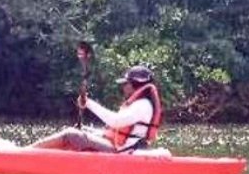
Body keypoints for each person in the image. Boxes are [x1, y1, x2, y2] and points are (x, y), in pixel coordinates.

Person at [28, 65, 163, 152]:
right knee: (81, 131)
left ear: (135, 84)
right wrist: (90, 130)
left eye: (126, 83)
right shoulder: (138, 104)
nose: (123, 87)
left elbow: (115, 122)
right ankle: (37, 154)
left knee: (70, 135)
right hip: (122, 148)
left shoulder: (143, 105)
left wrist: (88, 103)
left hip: (123, 152)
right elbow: (115, 132)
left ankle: (25, 152)